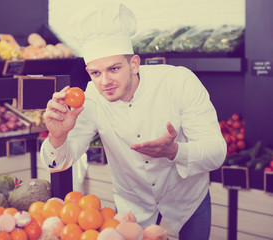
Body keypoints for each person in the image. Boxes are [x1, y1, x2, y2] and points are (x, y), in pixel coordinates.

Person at [40, 3, 226, 240]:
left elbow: (217, 152)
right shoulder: (91, 99)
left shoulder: (179, 82)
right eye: (96, 73)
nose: (104, 81)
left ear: (134, 64)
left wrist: (175, 151)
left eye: (114, 68)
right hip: (133, 206)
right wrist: (58, 136)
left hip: (188, 199)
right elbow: (58, 163)